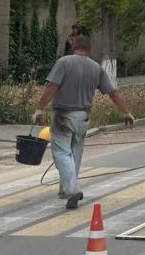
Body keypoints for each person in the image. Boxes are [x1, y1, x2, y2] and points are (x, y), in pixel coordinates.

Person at [32, 34, 135, 208]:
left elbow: (52, 87)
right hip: (83, 117)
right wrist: (127, 113)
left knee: (62, 152)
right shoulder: (96, 67)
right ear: (89, 49)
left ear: (73, 47)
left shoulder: (64, 62)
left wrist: (39, 109)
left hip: (63, 115)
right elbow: (113, 92)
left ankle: (72, 188)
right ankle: (67, 190)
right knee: (75, 153)